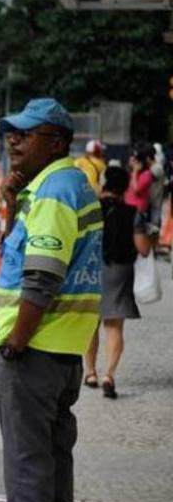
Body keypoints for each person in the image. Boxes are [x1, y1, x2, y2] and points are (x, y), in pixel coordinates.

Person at [0, 98, 102, 502]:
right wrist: (13, 204)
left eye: (26, 132)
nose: (14, 139)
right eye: (11, 132)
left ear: (56, 142)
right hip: (63, 351)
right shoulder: (66, 186)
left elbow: (40, 277)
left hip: (34, 351)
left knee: (27, 458)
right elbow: (22, 256)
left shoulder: (56, 190)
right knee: (54, 456)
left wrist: (15, 344)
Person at [83, 166, 144, 399]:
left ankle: (90, 373)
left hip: (90, 269)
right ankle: (108, 374)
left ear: (104, 182)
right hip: (120, 271)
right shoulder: (133, 213)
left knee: (90, 323)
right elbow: (143, 248)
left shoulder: (91, 209)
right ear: (126, 187)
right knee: (114, 326)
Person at [125, 146, 154, 252]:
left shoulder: (147, 174)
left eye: (134, 160)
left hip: (138, 209)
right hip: (128, 207)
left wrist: (135, 172)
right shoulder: (130, 172)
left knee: (136, 233)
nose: (132, 162)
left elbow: (137, 189)